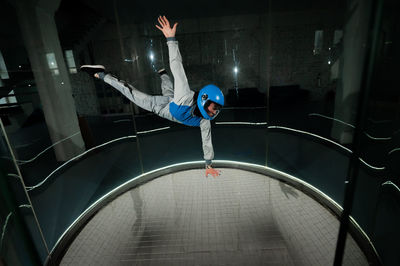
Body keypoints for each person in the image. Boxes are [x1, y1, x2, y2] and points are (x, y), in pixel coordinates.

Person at [80, 16, 224, 177]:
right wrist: (171, 39)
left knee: (169, 92)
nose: (213, 114)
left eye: (216, 111)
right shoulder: (187, 96)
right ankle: (101, 74)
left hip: (171, 108)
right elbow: (177, 66)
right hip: (163, 105)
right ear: (204, 100)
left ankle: (162, 74)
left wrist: (208, 164)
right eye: (213, 109)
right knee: (133, 93)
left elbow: (207, 141)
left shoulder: (205, 121)